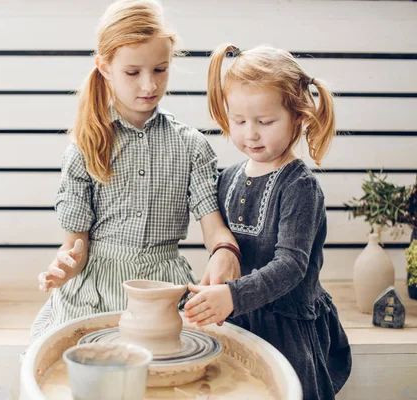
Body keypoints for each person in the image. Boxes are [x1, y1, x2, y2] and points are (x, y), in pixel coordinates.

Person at [30, 0, 240, 341]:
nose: (149, 86)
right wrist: (64, 268)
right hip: (94, 294)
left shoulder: (191, 145)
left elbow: (214, 229)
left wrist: (225, 252)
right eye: (133, 72)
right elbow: (75, 249)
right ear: (104, 67)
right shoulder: (86, 148)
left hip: (164, 289)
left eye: (160, 70)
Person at [184, 44, 352, 399]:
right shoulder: (226, 178)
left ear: (299, 117)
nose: (251, 134)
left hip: (286, 329)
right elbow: (219, 240)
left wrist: (232, 295)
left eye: (265, 122)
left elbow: (291, 266)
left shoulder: (299, 186)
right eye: (240, 121)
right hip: (238, 319)